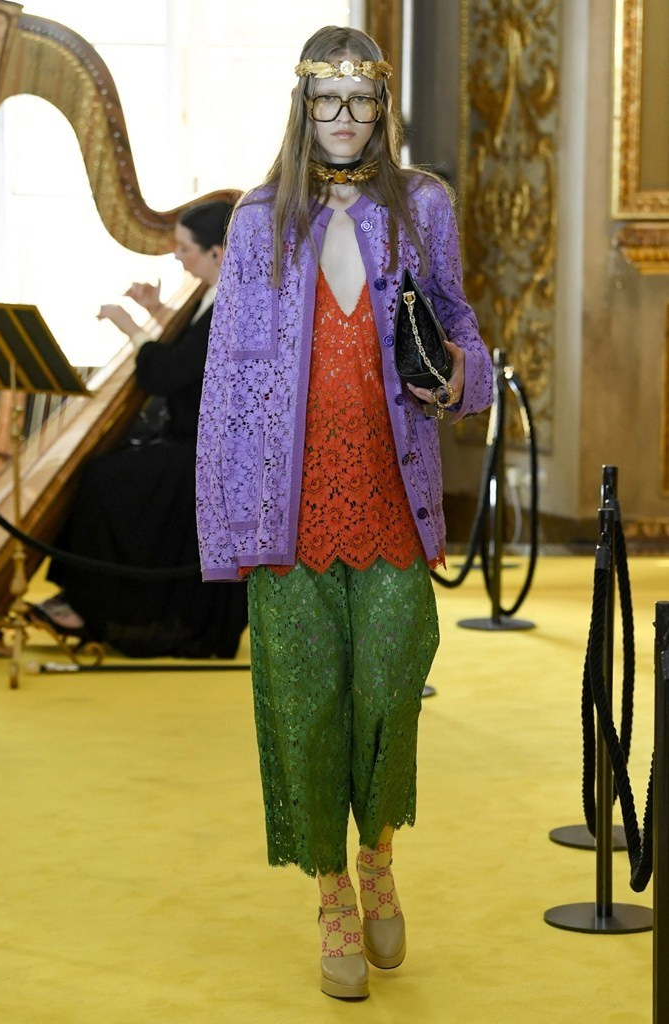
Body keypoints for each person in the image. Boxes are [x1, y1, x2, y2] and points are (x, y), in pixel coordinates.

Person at [195, 26, 493, 999]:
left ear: (380, 108)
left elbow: (456, 320)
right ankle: (331, 894)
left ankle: (379, 856)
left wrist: (461, 375)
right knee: (307, 702)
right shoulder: (257, 221)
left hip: (391, 495)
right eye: (326, 99)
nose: (344, 118)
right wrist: (230, 530)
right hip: (288, 511)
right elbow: (228, 382)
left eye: (360, 101)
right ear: (302, 105)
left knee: (391, 688)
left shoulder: (421, 206)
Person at [33, 201, 248, 659]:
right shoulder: (215, 294)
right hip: (191, 442)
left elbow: (164, 374)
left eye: (185, 249)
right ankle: (79, 599)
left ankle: (90, 605)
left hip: (209, 456)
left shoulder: (234, 301)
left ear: (217, 253)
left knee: (103, 480)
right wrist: (156, 311)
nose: (177, 258)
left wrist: (130, 325)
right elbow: (189, 351)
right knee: (107, 473)